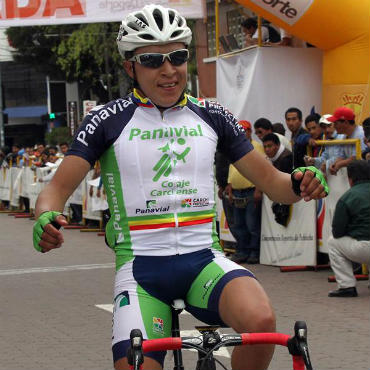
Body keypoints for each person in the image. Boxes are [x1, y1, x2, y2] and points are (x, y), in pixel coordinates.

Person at [32, 5, 328, 370]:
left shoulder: (213, 115)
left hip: (204, 261)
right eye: (153, 60)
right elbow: (55, 190)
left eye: (177, 56)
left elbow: (274, 183)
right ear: (130, 68)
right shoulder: (105, 120)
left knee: (262, 321)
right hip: (142, 271)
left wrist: (301, 182)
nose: (168, 70)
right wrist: (46, 216)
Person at [327, 160, 370, 297]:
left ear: (350, 179)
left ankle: (347, 286)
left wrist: (352, 231)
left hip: (364, 247)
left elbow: (337, 232)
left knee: (332, 242)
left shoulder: (347, 197)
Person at [224, 120, 264, 264]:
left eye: (245, 129)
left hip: (250, 190)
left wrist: (259, 188)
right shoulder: (235, 146)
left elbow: (261, 168)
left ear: (250, 131)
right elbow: (232, 167)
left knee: (252, 225)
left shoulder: (257, 147)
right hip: (236, 191)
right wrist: (229, 184)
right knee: (239, 225)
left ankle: (254, 252)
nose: (242, 132)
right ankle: (242, 251)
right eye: (239, 129)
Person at [328, 107, 367, 175]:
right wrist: (334, 164)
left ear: (346, 122)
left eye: (336, 123)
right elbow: (341, 156)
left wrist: (339, 164)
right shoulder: (344, 136)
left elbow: (358, 158)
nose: (334, 126)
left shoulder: (361, 133)